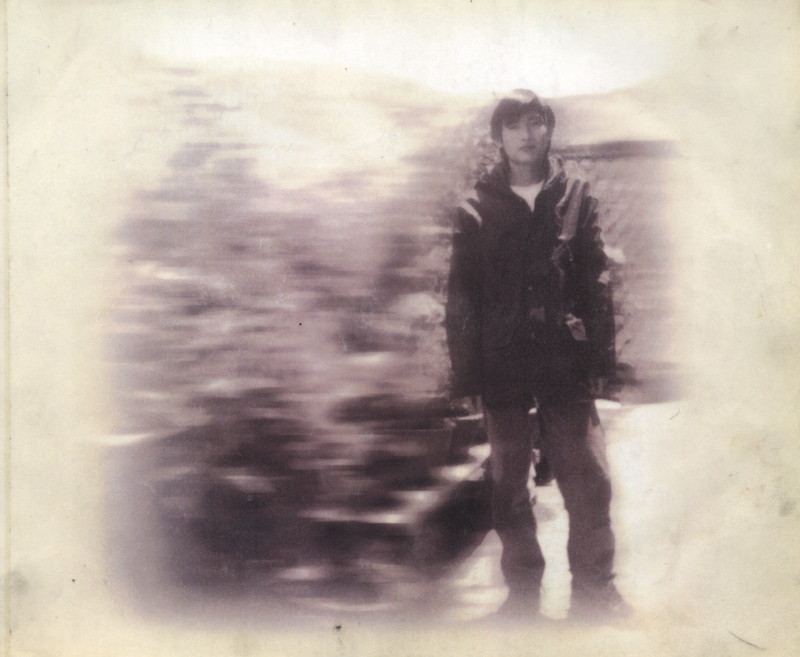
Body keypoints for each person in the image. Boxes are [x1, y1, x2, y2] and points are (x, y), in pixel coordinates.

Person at [445, 90, 628, 622]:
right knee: (509, 486)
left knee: (588, 481)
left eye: (535, 123)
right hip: (501, 365)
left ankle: (595, 592)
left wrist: (601, 362)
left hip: (563, 362)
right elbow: (461, 299)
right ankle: (522, 597)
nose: (526, 135)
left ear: (548, 130)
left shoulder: (575, 195)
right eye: (514, 125)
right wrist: (467, 377)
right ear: (498, 136)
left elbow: (597, 282)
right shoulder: (476, 206)